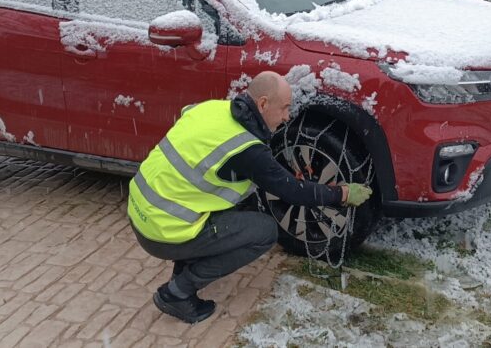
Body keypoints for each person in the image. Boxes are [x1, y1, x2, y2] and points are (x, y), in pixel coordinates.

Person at [128, 71, 373, 324]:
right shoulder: (246, 150)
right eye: (284, 108)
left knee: (238, 205)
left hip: (141, 208)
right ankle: (176, 293)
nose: (287, 117)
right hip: (162, 230)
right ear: (263, 104)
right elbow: (293, 191)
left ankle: (185, 261)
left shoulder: (212, 108)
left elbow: (189, 119)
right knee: (264, 232)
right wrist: (341, 193)